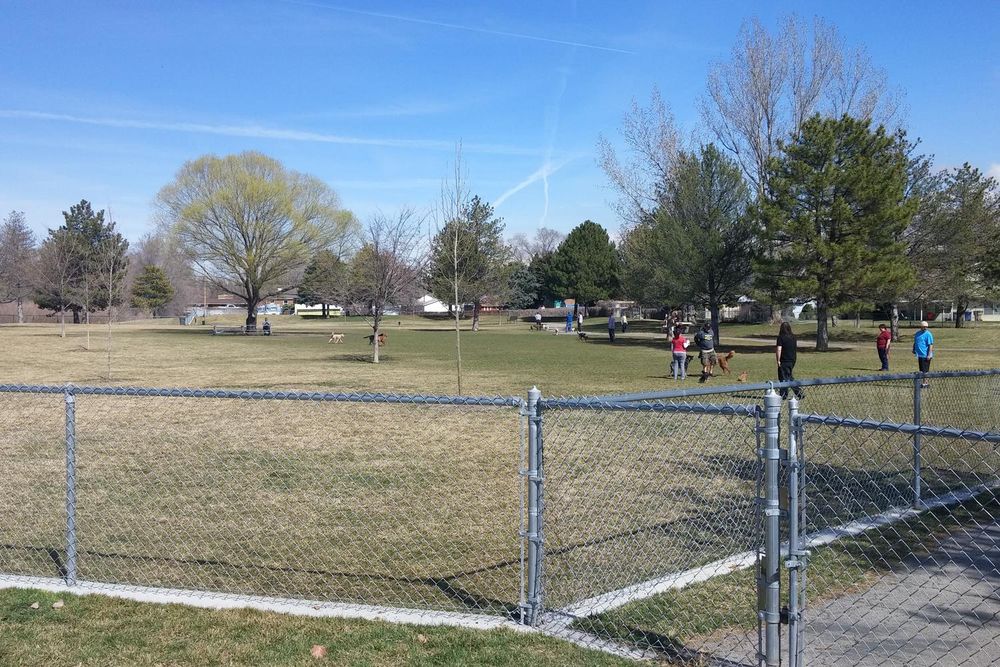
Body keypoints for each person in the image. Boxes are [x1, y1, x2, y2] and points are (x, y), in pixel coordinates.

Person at [775, 321, 804, 400]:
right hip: (792, 359)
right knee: (789, 377)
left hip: (784, 360)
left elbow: (779, 349)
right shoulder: (793, 337)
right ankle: (799, 394)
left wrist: (778, 360)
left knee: (783, 377)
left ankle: (783, 395)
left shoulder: (780, 337)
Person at [913, 320, 934, 387]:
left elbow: (930, 345)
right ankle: (924, 382)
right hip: (919, 355)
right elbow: (915, 342)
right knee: (921, 370)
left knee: (925, 370)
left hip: (926, 355)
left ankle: (926, 383)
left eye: (926, 327)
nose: (925, 328)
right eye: (924, 327)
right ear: (921, 327)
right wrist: (913, 349)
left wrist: (929, 355)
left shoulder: (928, 334)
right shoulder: (917, 333)